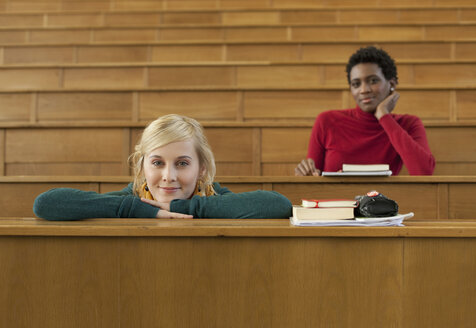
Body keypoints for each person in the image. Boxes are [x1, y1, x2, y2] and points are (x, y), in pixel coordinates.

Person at [34, 114, 292, 220]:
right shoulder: (134, 198)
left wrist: (185, 207)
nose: (168, 177)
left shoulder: (214, 198)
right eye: (157, 163)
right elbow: (46, 204)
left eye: (182, 163)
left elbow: (278, 205)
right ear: (142, 165)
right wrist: (137, 209)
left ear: (202, 168)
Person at [295, 46, 435, 176]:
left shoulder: (408, 124)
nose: (364, 90)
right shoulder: (326, 121)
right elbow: (313, 179)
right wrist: (305, 174)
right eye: (356, 84)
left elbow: (424, 172)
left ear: (391, 84)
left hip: (383, 202)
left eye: (373, 81)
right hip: (336, 202)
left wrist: (384, 116)